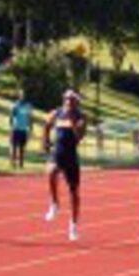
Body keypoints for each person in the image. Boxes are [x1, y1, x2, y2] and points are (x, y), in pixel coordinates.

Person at [42, 89, 87, 241]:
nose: (68, 102)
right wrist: (45, 141)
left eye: (72, 100)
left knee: (74, 193)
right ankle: (54, 203)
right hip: (58, 153)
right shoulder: (56, 113)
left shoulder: (81, 117)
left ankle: (73, 226)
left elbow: (79, 137)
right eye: (67, 99)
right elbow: (47, 124)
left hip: (71, 157)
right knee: (51, 172)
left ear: (76, 102)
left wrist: (73, 124)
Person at [10, 90, 33, 169]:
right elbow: (12, 116)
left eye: (23, 95)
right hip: (16, 128)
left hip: (24, 129)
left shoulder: (28, 106)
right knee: (14, 146)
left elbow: (30, 118)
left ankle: (21, 164)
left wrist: (30, 128)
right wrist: (11, 126)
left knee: (22, 147)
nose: (22, 96)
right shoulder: (15, 105)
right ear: (19, 96)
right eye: (21, 95)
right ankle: (13, 163)